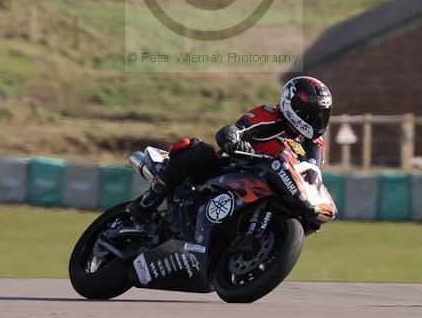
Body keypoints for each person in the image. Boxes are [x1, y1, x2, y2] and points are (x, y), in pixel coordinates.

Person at [126, 75, 334, 227]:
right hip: (233, 170)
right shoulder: (269, 116)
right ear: (294, 106)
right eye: (312, 113)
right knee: (197, 150)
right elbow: (234, 131)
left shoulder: (315, 144)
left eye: (322, 114)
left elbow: (313, 174)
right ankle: (146, 204)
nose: (317, 120)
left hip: (273, 188)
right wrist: (235, 140)